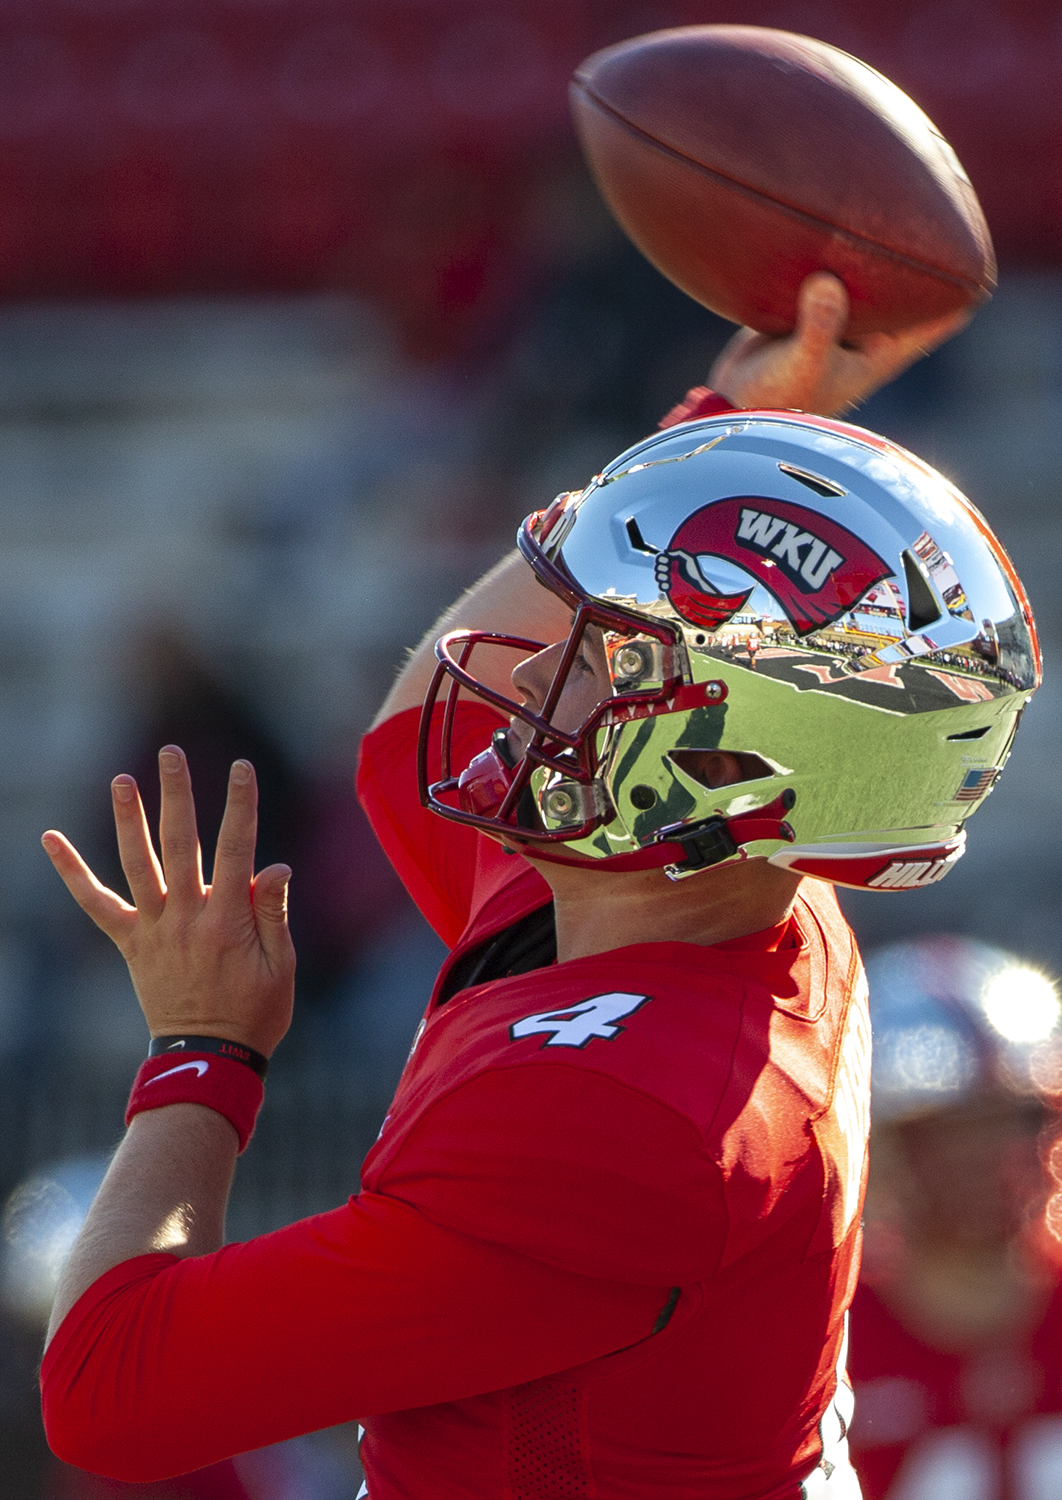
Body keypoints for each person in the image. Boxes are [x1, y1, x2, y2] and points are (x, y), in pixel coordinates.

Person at [36, 275, 1033, 1500]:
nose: (536, 670)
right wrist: (702, 445)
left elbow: (111, 1394)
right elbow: (408, 747)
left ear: (726, 762)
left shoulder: (624, 1116)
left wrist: (201, 1047)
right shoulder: (713, 900)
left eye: (605, 659)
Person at [848, 937, 1062, 1500]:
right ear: (886, 1144)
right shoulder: (826, 1338)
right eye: (948, 1130)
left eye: (1010, 1119)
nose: (988, 1156)